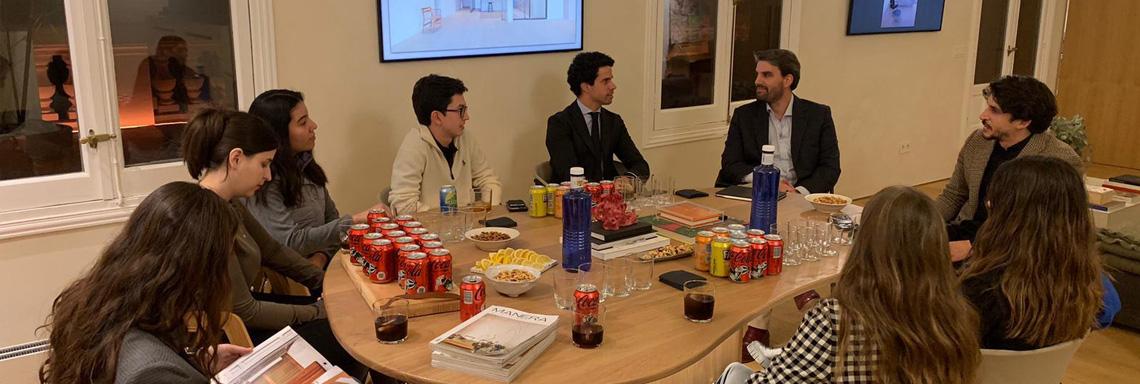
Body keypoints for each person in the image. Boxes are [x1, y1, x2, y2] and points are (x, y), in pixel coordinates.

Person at [718, 186, 979, 384]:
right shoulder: (956, 316)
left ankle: (787, 358)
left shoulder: (835, 319)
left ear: (866, 244)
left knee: (734, 375)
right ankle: (788, 357)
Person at [180, 108, 367, 379]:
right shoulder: (207, 219)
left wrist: (324, 280)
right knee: (350, 332)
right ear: (236, 159)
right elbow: (246, 311)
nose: (268, 176)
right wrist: (317, 310)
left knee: (346, 315)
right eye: (264, 164)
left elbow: (273, 252)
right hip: (231, 340)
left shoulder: (229, 203)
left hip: (248, 316)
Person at [39, 182, 250, 383]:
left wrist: (195, 363)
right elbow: (152, 370)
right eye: (226, 258)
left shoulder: (97, 304)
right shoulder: (155, 372)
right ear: (198, 266)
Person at [959, 156, 1113, 350]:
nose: (988, 204)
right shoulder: (1086, 280)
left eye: (995, 200)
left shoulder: (982, 292)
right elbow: (1110, 310)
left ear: (1010, 215)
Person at [244, 89, 388, 267]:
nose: (313, 125)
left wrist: (322, 256)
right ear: (279, 133)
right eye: (303, 122)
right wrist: (355, 220)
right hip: (296, 282)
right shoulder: (264, 181)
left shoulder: (306, 167)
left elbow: (332, 222)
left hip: (322, 269)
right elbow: (288, 242)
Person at [937, 75, 1082, 245]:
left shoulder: (1060, 160)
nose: (982, 115)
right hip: (966, 230)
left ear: (1022, 122)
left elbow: (1042, 229)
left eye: (994, 110)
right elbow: (954, 195)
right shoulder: (977, 142)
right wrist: (918, 222)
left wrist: (973, 248)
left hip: (1012, 245)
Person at [715, 49, 840, 194]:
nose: (757, 81)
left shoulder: (818, 115)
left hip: (802, 196)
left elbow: (830, 167)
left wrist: (799, 193)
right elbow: (730, 164)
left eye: (766, 75)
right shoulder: (744, 116)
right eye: (757, 74)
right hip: (757, 194)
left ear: (787, 80)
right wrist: (768, 181)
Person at [389, 74, 502, 214]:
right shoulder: (414, 146)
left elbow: (487, 180)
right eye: (460, 110)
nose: (467, 117)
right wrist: (448, 221)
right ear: (437, 117)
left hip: (467, 226)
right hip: (430, 231)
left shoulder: (465, 138)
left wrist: (488, 211)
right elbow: (403, 205)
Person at [546, 51, 650, 183]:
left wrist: (628, 179)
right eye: (606, 81)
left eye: (611, 80)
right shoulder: (560, 123)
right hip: (575, 200)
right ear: (586, 87)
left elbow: (640, 165)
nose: (613, 86)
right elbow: (568, 174)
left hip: (610, 199)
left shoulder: (613, 121)